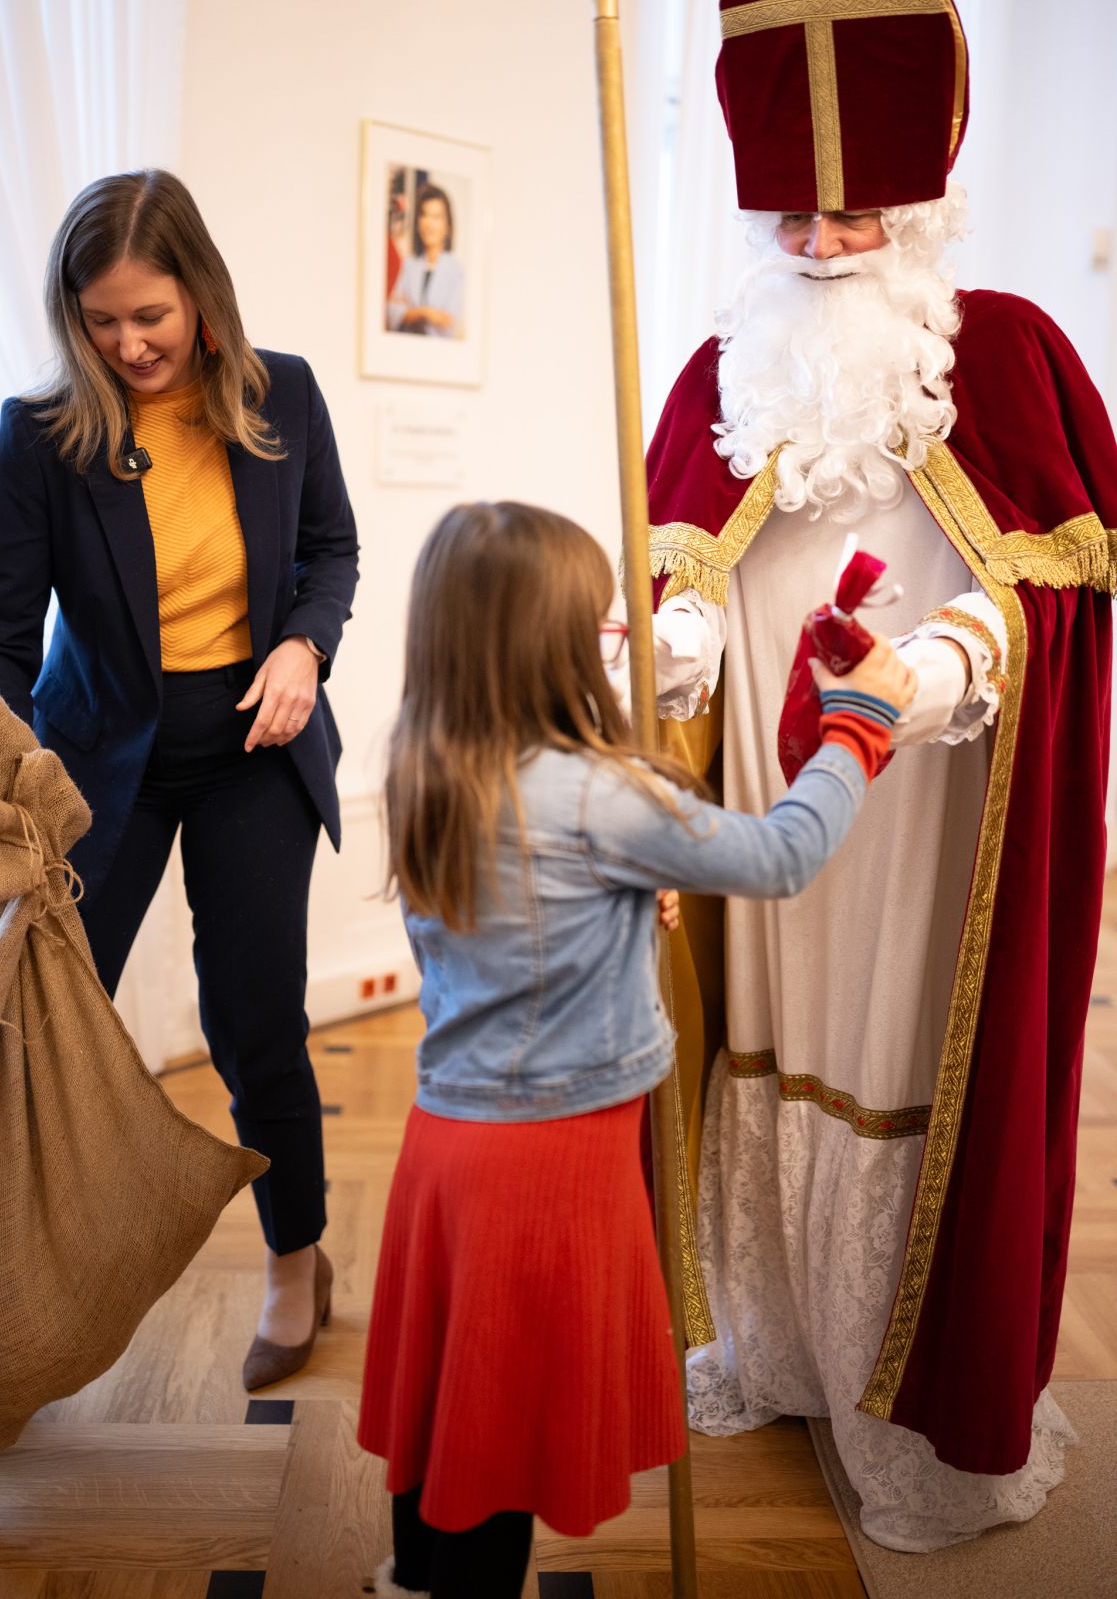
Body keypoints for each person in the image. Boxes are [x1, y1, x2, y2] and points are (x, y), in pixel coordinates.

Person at [644, 0, 1117, 1553]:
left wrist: (939, 668)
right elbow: (676, 560)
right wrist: (675, 641)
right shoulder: (718, 368)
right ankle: (778, 1345)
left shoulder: (1000, 357)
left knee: (903, 1058)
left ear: (921, 202)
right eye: (791, 210)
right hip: (769, 830)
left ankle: (908, 1402)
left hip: (928, 816)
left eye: (853, 209)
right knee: (769, 1049)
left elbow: (1054, 605)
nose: (822, 239)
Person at [357, 499, 914, 1599]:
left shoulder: (435, 761)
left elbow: (514, 920)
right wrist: (856, 729)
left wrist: (610, 912)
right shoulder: (598, 791)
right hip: (547, 1155)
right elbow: (779, 853)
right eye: (604, 627)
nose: (618, 641)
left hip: (451, 1139)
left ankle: (410, 1578)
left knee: (453, 1401)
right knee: (506, 1427)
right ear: (552, 647)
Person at [0, 168, 359, 1391]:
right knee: (37, 1021)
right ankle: (7, 1285)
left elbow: (330, 546)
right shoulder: (42, 434)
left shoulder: (279, 391)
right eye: (100, 319)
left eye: (151, 316)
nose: (128, 343)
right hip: (94, 770)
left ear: (200, 293)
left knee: (255, 1023)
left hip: (253, 749)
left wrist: (305, 643)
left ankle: (299, 1262)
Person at [386, 183, 464, 338]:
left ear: (447, 225)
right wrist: (427, 313)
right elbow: (391, 312)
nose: (429, 223)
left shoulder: (457, 270)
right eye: (424, 215)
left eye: (436, 217)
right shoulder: (409, 265)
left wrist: (410, 312)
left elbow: (449, 323)